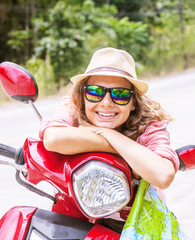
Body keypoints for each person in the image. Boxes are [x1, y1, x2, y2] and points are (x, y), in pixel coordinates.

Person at [39, 47, 180, 202]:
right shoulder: (74, 107)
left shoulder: (149, 123)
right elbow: (54, 139)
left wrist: (109, 134)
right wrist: (123, 150)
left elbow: (163, 175)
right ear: (82, 96)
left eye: (120, 94)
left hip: (135, 217)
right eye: (95, 92)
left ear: (133, 102)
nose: (106, 103)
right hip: (77, 205)